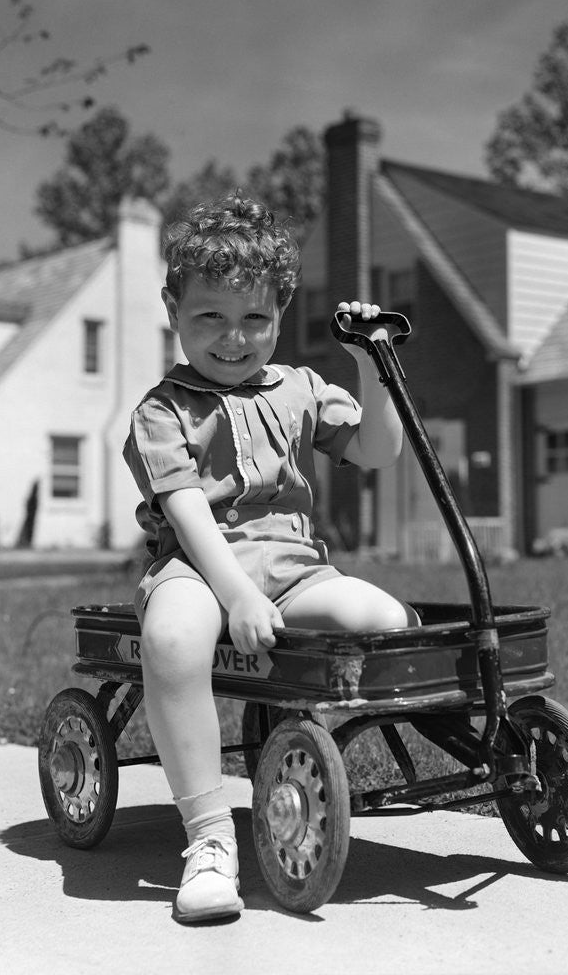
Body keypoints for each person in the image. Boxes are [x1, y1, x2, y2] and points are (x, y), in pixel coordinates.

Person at [123, 193, 418, 923]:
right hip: (197, 564)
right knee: (171, 637)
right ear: (173, 310)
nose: (234, 338)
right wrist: (235, 596)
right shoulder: (163, 410)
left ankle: (321, 761)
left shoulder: (302, 389)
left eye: (255, 318)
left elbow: (378, 451)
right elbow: (187, 511)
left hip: (292, 567)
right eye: (210, 318)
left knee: (382, 618)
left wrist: (370, 364)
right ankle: (209, 837)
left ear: (281, 311)